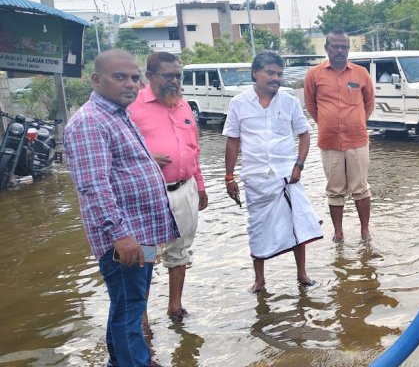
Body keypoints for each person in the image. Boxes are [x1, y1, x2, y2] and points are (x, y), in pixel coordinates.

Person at [65, 49, 179, 367]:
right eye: (120, 77)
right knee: (129, 311)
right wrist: (120, 235)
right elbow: (94, 187)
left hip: (139, 232)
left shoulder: (117, 114)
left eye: (134, 77)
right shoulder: (90, 123)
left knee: (126, 305)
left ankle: (122, 361)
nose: (130, 84)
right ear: (97, 80)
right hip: (125, 238)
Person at [223, 51, 322, 293]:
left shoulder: (289, 101)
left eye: (279, 74)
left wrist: (298, 165)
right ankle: (259, 280)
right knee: (257, 227)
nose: (275, 78)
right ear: (255, 73)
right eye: (270, 73)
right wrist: (229, 176)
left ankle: (302, 274)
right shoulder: (238, 103)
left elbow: (305, 134)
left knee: (297, 224)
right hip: (256, 179)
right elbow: (233, 141)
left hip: (287, 176)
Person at [129, 52, 208, 323]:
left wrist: (200, 186)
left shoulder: (183, 105)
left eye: (178, 75)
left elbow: (194, 149)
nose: (175, 81)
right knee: (147, 254)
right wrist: (145, 156)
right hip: (148, 196)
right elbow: (116, 151)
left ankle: (175, 306)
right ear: (149, 77)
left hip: (185, 190)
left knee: (180, 250)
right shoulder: (132, 107)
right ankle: (142, 316)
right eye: (168, 76)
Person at [304, 29, 375, 243]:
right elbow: (311, 105)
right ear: (326, 49)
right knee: (334, 190)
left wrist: (358, 122)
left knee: (361, 188)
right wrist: (327, 122)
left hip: (357, 140)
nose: (340, 50)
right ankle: (338, 232)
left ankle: (364, 231)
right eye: (335, 46)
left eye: (344, 46)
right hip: (330, 141)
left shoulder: (361, 73)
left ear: (348, 48)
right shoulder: (314, 75)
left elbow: (369, 103)